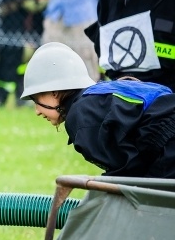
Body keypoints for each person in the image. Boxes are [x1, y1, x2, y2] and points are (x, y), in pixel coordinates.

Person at [21, 42, 175, 178]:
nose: (37, 111)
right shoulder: (99, 95)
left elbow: (127, 172)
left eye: (36, 100)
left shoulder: (81, 115)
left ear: (53, 91)